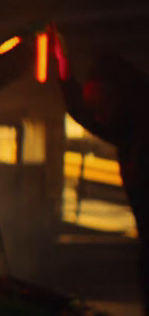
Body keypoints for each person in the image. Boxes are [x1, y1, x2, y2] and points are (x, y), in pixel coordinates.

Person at [53, 35, 149, 311]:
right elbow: (81, 111)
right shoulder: (127, 127)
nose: (97, 118)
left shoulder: (138, 128)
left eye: (100, 106)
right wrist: (63, 68)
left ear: (118, 96)